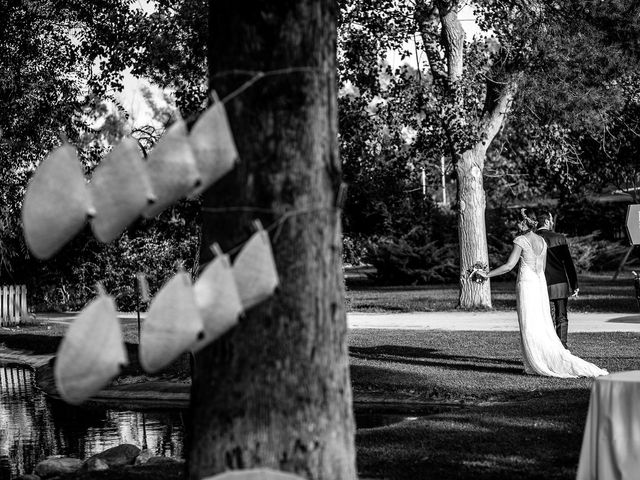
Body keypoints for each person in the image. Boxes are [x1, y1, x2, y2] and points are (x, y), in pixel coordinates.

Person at [476, 208, 607, 378]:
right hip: (539, 284)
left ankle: (535, 362)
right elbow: (542, 268)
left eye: (518, 221)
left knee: (530, 324)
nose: (516, 224)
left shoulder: (521, 240)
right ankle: (548, 357)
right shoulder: (542, 241)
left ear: (524, 222)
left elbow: (509, 266)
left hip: (527, 285)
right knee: (542, 323)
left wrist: (487, 274)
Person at [536, 209, 578, 349]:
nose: (552, 222)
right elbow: (568, 263)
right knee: (561, 316)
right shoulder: (559, 237)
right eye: (551, 220)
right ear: (547, 221)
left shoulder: (532, 238)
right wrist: (574, 284)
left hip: (539, 284)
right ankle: (562, 347)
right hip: (559, 283)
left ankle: (545, 347)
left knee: (542, 318)